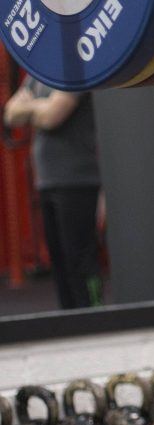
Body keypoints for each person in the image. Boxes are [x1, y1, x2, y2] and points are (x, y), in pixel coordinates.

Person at [3, 78, 103, 310]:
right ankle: (70, 319)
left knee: (80, 257)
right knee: (60, 261)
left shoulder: (76, 72)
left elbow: (52, 118)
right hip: (47, 182)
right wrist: (41, 105)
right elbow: (10, 113)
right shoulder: (38, 75)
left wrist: (30, 108)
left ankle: (94, 315)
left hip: (77, 181)